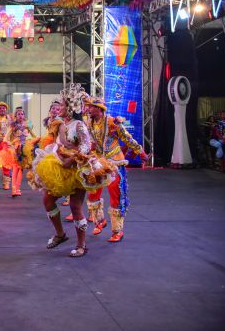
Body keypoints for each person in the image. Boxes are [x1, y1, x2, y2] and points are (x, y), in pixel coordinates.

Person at [28, 84, 117, 257]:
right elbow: (59, 145)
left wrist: (70, 159)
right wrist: (55, 155)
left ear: (69, 107)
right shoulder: (60, 124)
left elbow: (85, 147)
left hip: (77, 171)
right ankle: (60, 234)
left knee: (76, 207)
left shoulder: (79, 125)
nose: (57, 108)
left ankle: (81, 245)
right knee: (47, 200)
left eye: (60, 105)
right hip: (60, 169)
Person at [84, 97, 147, 242]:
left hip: (114, 163)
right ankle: (99, 221)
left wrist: (141, 153)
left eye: (91, 107)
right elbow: (91, 143)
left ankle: (117, 231)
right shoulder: (89, 123)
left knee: (116, 196)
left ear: (99, 109)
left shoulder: (112, 122)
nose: (88, 109)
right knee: (93, 193)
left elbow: (127, 138)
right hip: (98, 163)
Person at [0, 107, 35, 197]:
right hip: (16, 149)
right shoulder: (13, 125)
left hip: (25, 149)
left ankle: (17, 188)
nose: (21, 116)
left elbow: (34, 135)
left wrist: (35, 142)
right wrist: (10, 144)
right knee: (15, 168)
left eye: (22, 114)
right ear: (15, 116)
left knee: (21, 169)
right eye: (18, 114)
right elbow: (6, 137)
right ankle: (14, 189)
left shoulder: (27, 125)